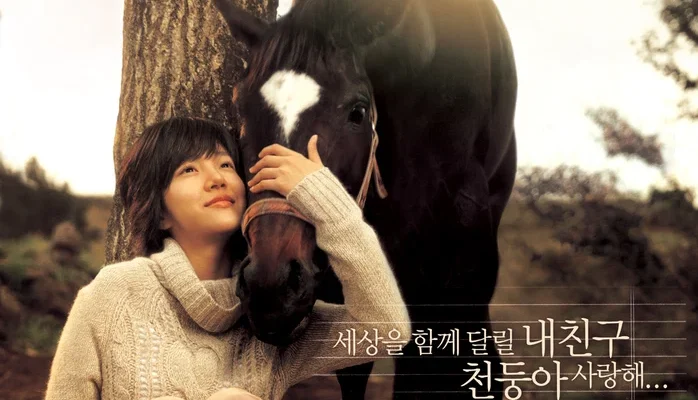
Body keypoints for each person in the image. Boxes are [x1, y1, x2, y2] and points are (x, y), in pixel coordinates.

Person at [44, 117, 411, 400]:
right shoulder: (112, 296)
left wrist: (327, 202)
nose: (216, 179)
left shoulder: (271, 315)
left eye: (224, 165)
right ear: (160, 213)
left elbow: (387, 331)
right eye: (188, 170)